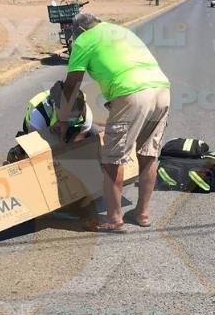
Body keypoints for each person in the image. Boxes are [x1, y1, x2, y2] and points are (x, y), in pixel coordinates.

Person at [58, 13, 171, 233]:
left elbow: (72, 84)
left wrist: (64, 119)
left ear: (79, 30)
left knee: (113, 157)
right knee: (148, 153)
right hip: (162, 89)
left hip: (132, 92)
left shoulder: (84, 39)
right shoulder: (120, 30)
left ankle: (114, 218)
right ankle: (142, 213)